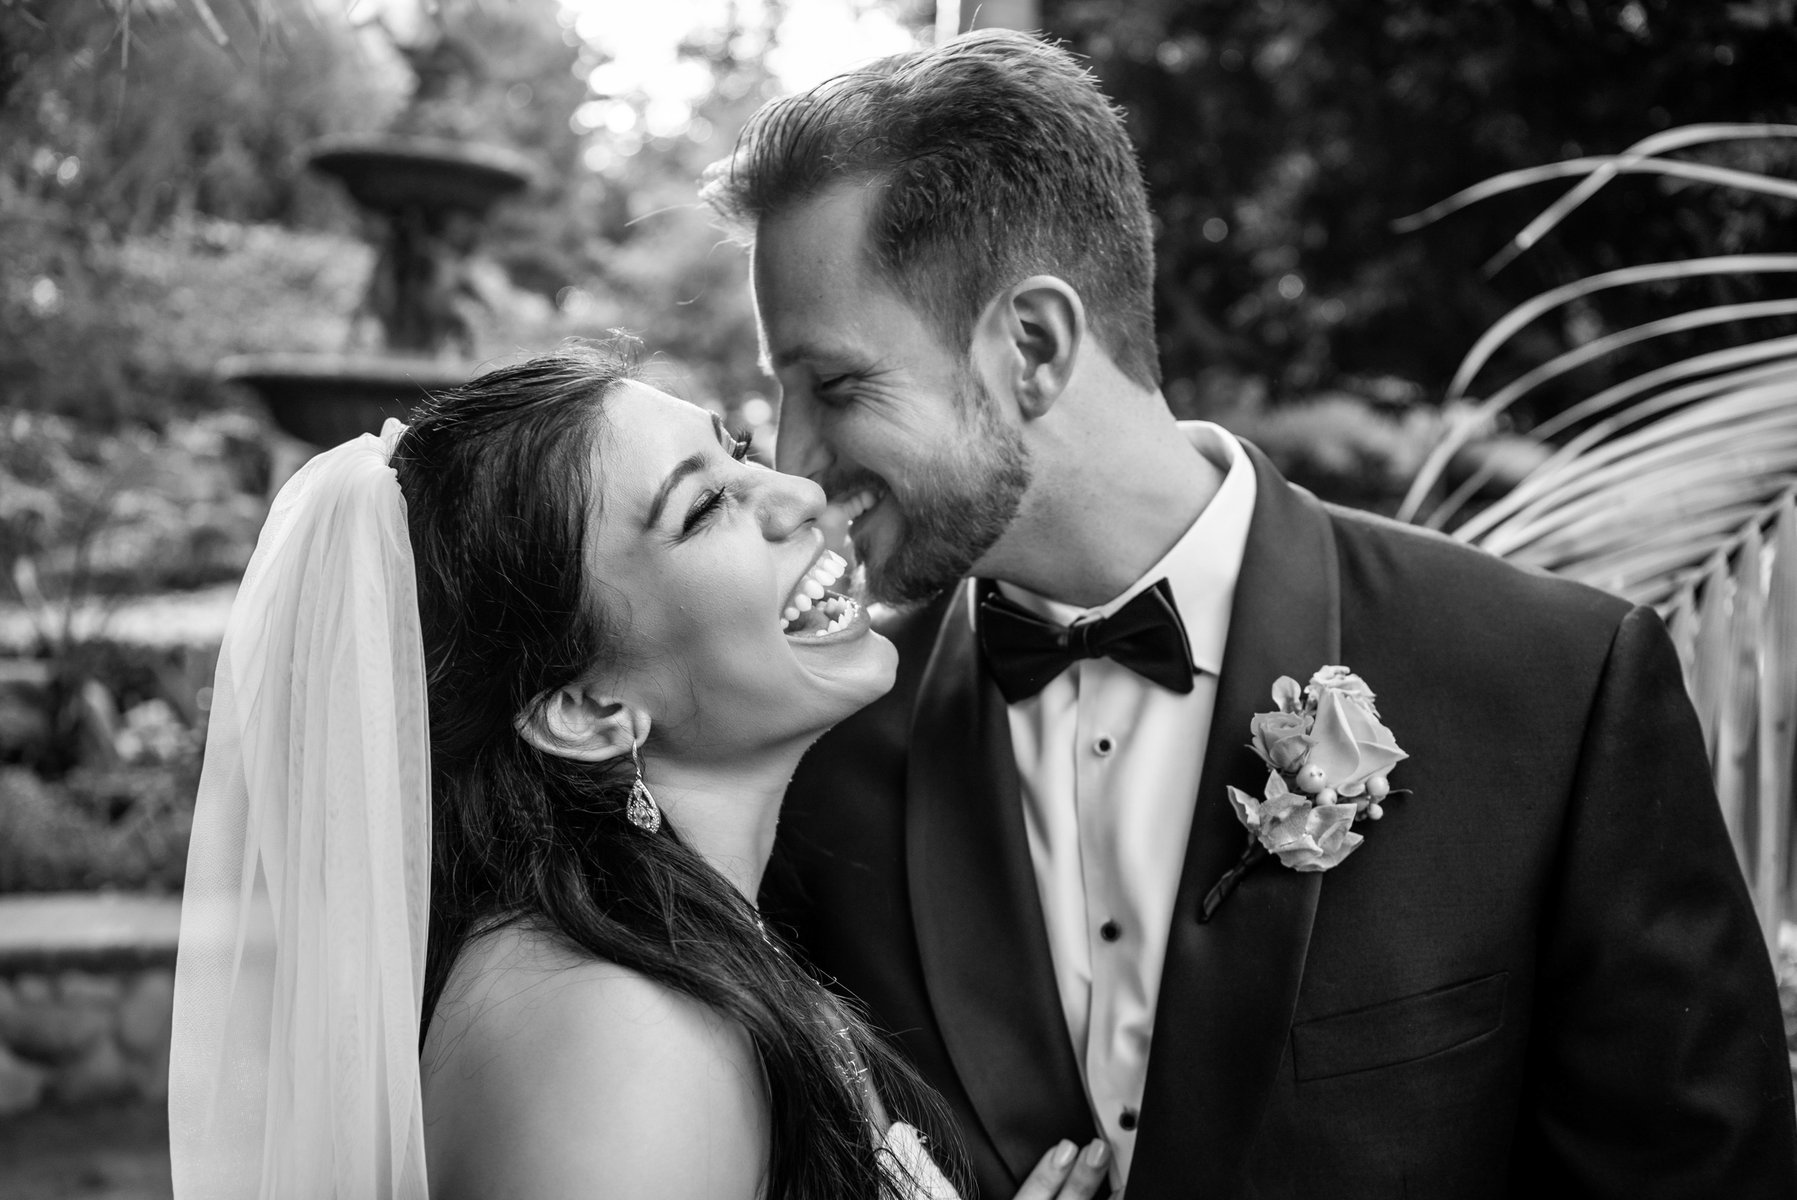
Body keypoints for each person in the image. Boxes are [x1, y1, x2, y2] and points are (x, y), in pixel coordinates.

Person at [701, 30, 1797, 1200]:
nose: (793, 460)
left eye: (836, 385)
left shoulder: (1553, 686)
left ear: (1034, 344)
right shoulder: (819, 748)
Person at [165, 348, 1114, 1200]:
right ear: (584, 711)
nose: (796, 493)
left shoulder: (658, 948)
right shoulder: (619, 1045)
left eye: (735, 453)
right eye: (700, 509)